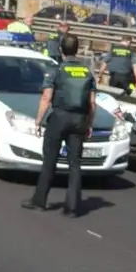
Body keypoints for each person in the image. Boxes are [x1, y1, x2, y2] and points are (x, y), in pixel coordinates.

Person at [23, 33, 96, 218]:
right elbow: (92, 103)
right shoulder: (87, 72)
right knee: (74, 165)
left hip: (59, 118)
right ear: (77, 50)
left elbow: (47, 97)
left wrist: (38, 120)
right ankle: (72, 208)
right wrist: (89, 124)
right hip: (79, 120)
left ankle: (39, 201)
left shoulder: (56, 70)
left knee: (50, 161)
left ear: (61, 49)